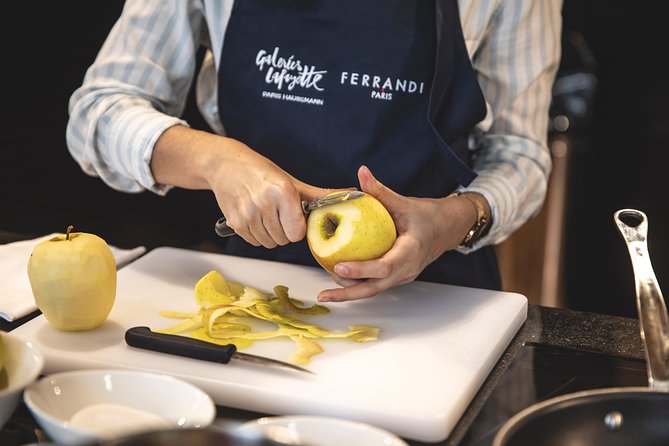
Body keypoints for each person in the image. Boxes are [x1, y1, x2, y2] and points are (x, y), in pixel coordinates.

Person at [66, 0, 563, 303]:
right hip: (256, 286)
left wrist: (452, 221)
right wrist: (216, 160)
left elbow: (519, 153)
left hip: (436, 291)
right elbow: (98, 111)